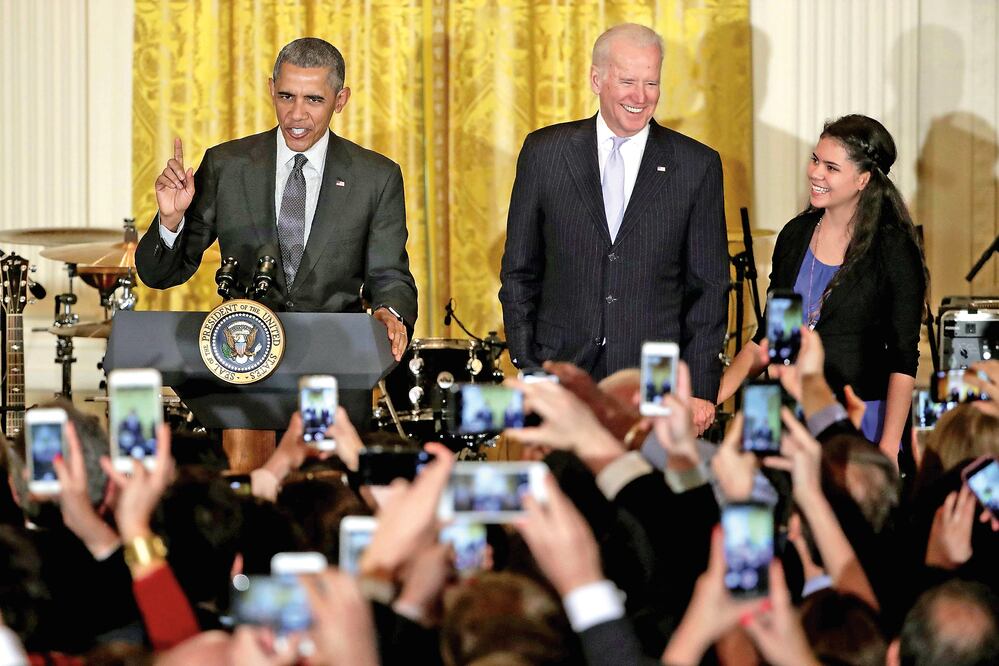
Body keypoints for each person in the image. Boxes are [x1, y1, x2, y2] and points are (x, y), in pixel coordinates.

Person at [498, 23, 729, 434]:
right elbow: (519, 270)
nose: (640, 97)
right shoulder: (544, 152)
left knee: (643, 497)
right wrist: (527, 361)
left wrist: (702, 386)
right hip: (561, 374)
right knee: (564, 496)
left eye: (651, 83)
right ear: (596, 79)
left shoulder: (696, 166)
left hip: (655, 384)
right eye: (627, 81)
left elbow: (709, 287)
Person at [135, 37, 417, 364]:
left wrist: (388, 311)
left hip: (336, 361)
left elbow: (390, 275)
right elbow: (160, 275)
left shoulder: (376, 177)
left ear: (340, 100)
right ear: (271, 90)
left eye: (314, 100)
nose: (297, 115)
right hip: (242, 359)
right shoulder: (226, 165)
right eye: (286, 96)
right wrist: (170, 222)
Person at [717, 114, 927, 461]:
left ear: (863, 179)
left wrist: (888, 447)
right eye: (815, 160)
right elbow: (766, 338)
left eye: (831, 167)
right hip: (781, 412)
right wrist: (715, 392)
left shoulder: (893, 248)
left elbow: (904, 359)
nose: (815, 172)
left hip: (856, 418)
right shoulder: (794, 234)